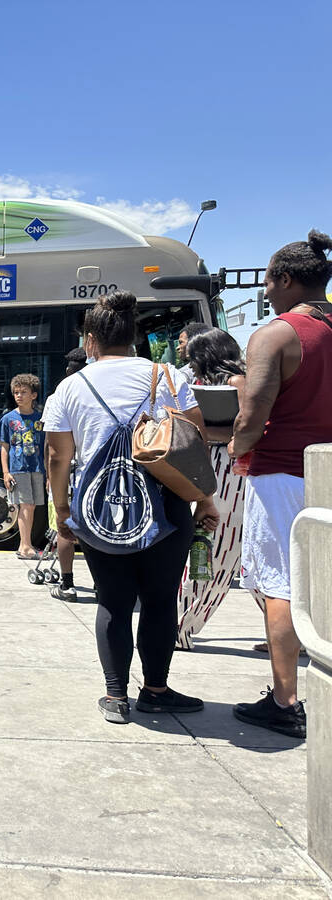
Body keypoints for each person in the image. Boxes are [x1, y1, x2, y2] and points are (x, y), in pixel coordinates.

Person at [44, 291, 218, 725]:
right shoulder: (168, 376)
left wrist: (63, 511)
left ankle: (116, 696)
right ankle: (156, 690)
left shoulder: (70, 386)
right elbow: (195, 442)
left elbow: (57, 456)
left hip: (100, 507)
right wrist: (204, 501)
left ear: (89, 341)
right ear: (135, 336)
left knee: (113, 602)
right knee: (160, 601)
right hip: (168, 503)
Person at [229, 229, 332, 739]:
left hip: (282, 475)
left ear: (285, 279)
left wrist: (234, 450)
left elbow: (252, 416)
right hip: (329, 474)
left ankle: (285, 700)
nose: (265, 292)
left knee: (281, 587)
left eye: (268, 282)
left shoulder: (275, 335)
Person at [174, 328, 247, 649]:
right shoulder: (203, 385)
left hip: (231, 474)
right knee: (216, 549)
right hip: (209, 468)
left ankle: (179, 624)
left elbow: (247, 426)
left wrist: (204, 430)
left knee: (212, 548)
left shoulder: (238, 383)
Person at [44, 348, 87, 602]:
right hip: (91, 474)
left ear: (69, 369)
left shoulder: (59, 395)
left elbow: (52, 448)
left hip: (66, 473)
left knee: (64, 528)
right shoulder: (98, 392)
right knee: (91, 531)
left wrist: (50, 477)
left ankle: (67, 584)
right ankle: (101, 585)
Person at [0, 373, 45, 560]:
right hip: (18, 468)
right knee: (26, 505)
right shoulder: (8, 419)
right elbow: (4, 447)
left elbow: (45, 445)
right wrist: (5, 472)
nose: (19, 396)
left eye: (24, 392)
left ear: (33, 395)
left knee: (31, 507)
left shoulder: (40, 419)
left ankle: (26, 544)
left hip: (37, 467)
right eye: (16, 392)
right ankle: (25, 546)